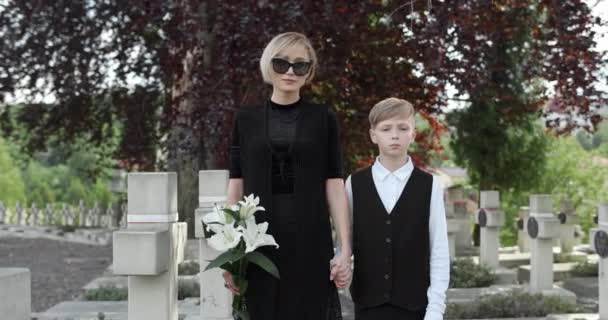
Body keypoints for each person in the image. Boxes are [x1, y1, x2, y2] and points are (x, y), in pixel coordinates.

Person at [224, 32, 352, 320]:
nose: (291, 72)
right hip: (258, 241)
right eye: (282, 64)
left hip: (310, 238)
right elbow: (236, 184)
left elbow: (334, 184)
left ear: (310, 71)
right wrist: (231, 252)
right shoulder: (246, 119)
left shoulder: (323, 118)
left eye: (300, 65)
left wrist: (344, 249)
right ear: (269, 65)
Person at [344, 97, 450, 320]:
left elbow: (439, 250)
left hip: (416, 308)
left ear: (412, 133)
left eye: (403, 128)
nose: (395, 135)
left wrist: (435, 309)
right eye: (386, 128)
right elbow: (345, 243)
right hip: (368, 307)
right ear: (373, 135)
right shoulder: (354, 184)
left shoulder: (430, 185)